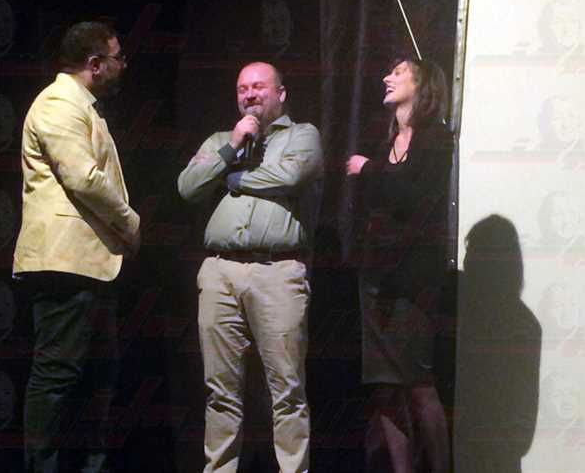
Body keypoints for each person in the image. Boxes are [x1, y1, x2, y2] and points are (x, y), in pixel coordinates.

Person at [178, 61, 323, 473]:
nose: (250, 94)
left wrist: (236, 179)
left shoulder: (302, 135)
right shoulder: (221, 140)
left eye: (259, 86)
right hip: (220, 272)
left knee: (287, 391)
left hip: (277, 272)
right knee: (220, 392)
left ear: (281, 93)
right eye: (243, 88)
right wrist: (230, 149)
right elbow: (187, 186)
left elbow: (291, 175)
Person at [13, 21, 140, 473]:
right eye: (118, 58)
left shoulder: (83, 106)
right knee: (58, 376)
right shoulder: (58, 103)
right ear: (95, 64)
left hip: (91, 264)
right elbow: (82, 177)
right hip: (65, 263)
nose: (123, 66)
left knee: (98, 379)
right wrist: (129, 223)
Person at [346, 57, 453, 473]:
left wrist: (368, 170)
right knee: (384, 389)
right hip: (376, 276)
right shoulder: (386, 140)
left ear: (422, 84)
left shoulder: (436, 139)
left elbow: (413, 196)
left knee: (417, 384)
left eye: (398, 72)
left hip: (412, 282)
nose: (386, 77)